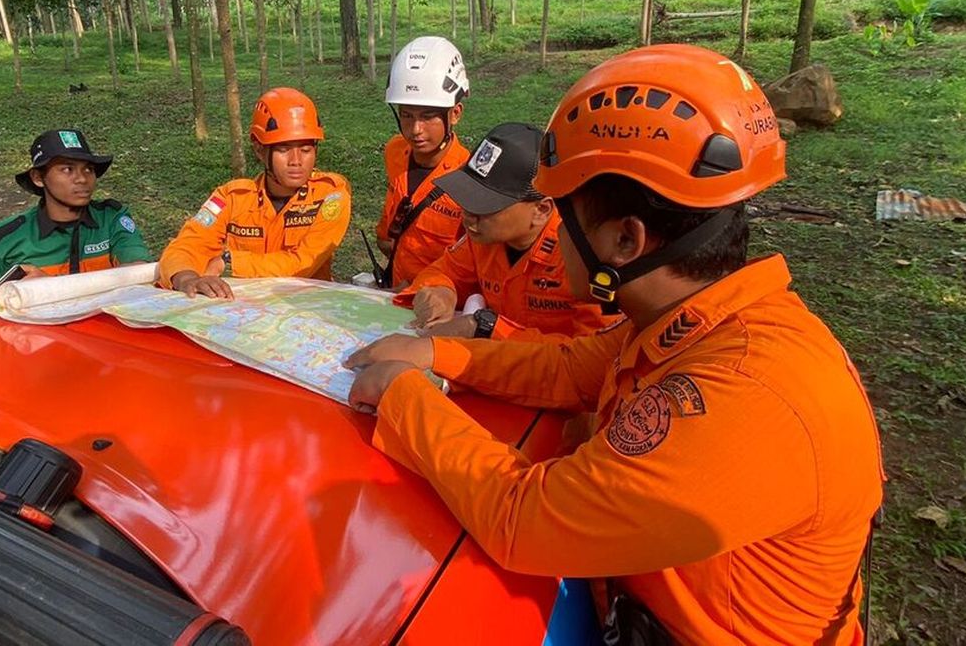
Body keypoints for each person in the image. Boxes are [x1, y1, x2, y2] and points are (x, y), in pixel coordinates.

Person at [345, 44, 885, 644]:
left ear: (624, 241)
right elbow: (573, 367)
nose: (553, 229)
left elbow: (526, 519)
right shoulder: (689, 324)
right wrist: (436, 354)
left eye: (565, 211)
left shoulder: (749, 393)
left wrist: (404, 396)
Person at [393, 122, 614, 341]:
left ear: (541, 210)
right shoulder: (483, 238)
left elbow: (592, 354)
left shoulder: (581, 259)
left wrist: (487, 329)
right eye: (466, 198)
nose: (468, 216)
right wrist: (443, 291)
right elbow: (444, 271)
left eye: (485, 206)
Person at [159, 87, 351, 299]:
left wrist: (230, 263)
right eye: (283, 149)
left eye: (306, 150)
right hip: (243, 313)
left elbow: (303, 262)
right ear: (260, 150)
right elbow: (186, 245)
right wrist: (186, 278)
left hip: (306, 310)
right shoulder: (231, 198)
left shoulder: (330, 195)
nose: (296, 160)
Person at [0, 129, 151, 314]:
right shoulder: (3, 239)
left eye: (89, 169)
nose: (82, 179)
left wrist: (50, 288)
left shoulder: (112, 219)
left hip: (107, 335)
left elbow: (138, 275)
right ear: (38, 178)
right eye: (67, 169)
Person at [374, 36, 471, 288]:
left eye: (428, 117)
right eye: (407, 115)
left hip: (436, 306)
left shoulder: (469, 180)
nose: (416, 129)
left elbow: (472, 266)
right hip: (393, 294)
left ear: (455, 114)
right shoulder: (396, 152)